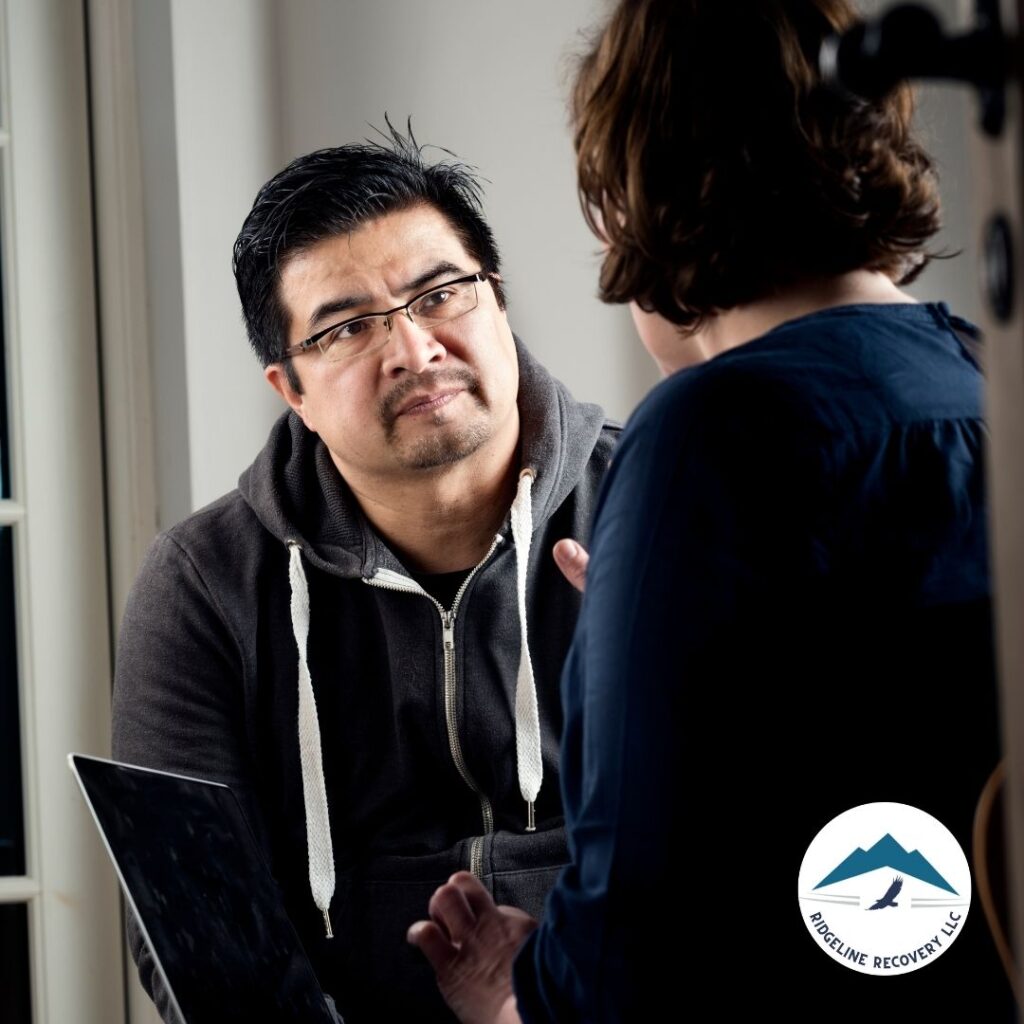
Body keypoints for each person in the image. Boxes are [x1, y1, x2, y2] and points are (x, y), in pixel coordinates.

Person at [409, 1, 1013, 1019]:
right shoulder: (983, 372)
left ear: (635, 190)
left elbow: (639, 947)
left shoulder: (713, 431)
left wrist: (518, 996)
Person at [111, 129, 618, 1022]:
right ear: (290, 388)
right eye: (348, 328)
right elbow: (197, 930)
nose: (414, 350)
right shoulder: (204, 585)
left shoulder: (648, 511)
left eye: (439, 294)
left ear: (496, 301)